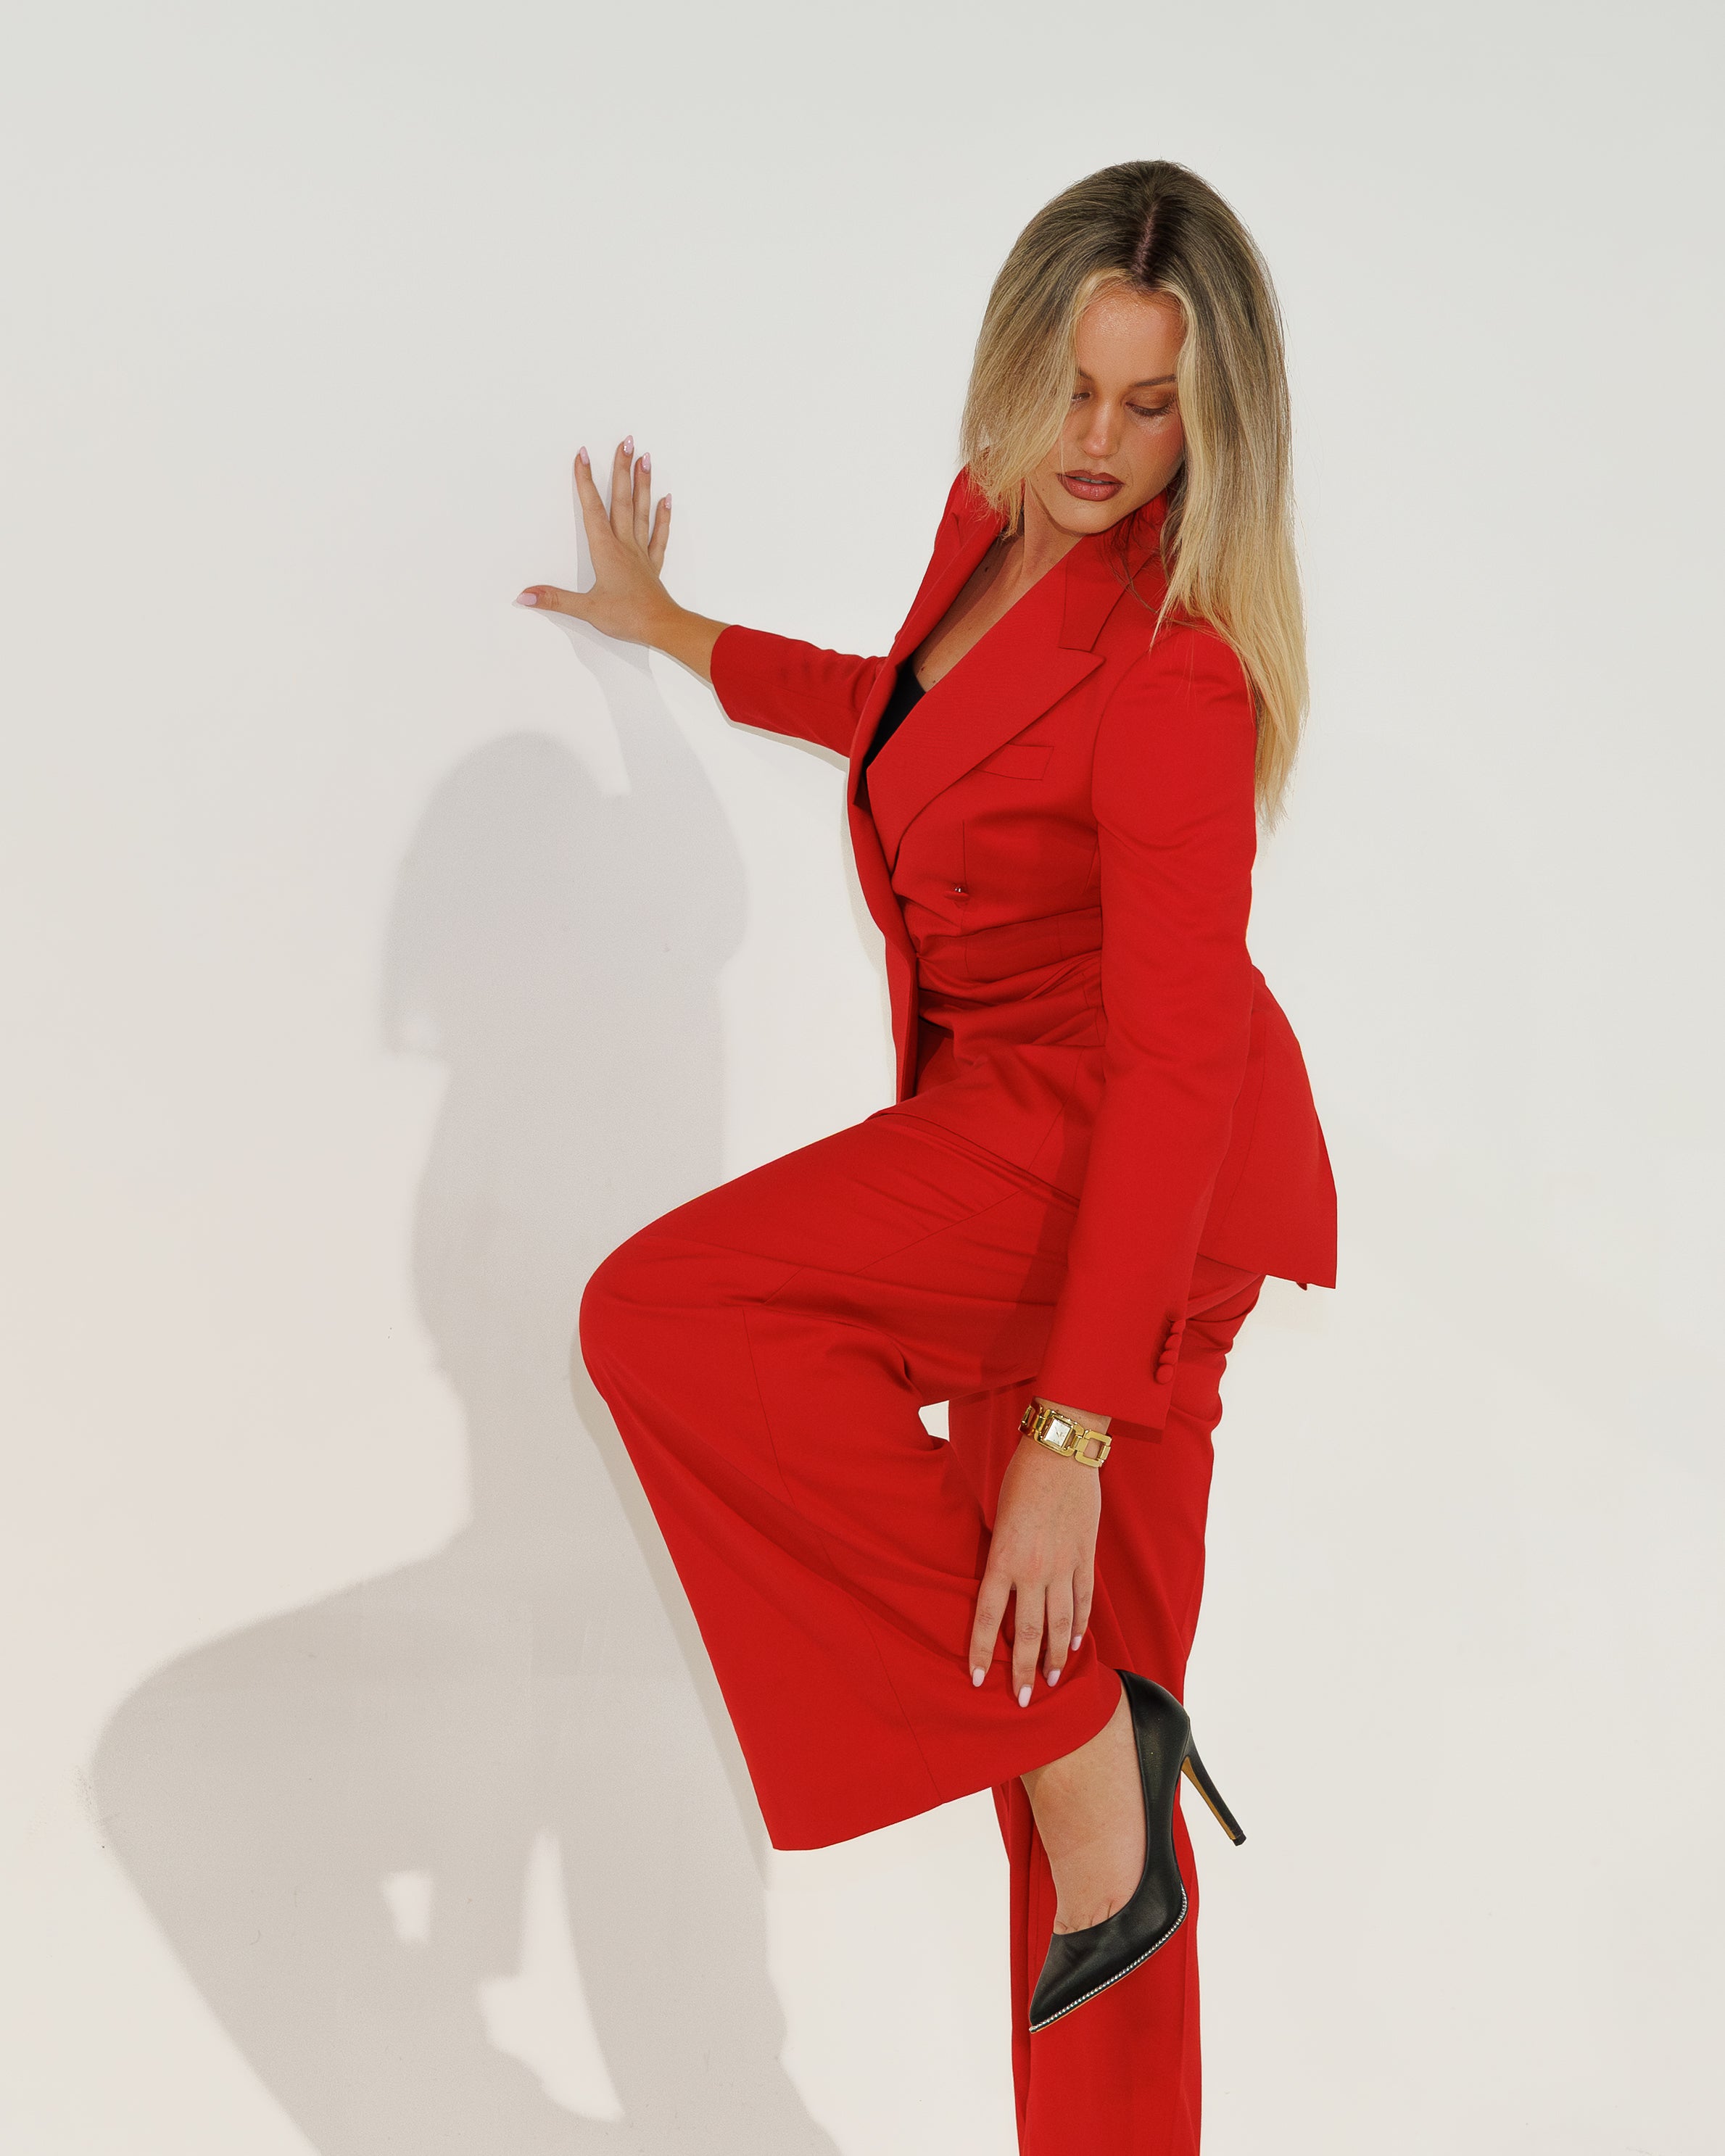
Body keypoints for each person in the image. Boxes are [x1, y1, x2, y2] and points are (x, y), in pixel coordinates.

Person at [518, 158, 1336, 2155]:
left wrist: (1067, 1441)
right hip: (1004, 1143)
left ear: (1212, 423)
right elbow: (911, 721)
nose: (1102, 447)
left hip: (1129, 1182)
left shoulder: (1180, 676)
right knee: (1078, 1849)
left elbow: (1169, 1070)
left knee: (671, 1314)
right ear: (1016, 365)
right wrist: (681, 632)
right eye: (1076, 388)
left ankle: (1083, 1745)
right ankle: (1084, 1755)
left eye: (1155, 411)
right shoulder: (988, 526)